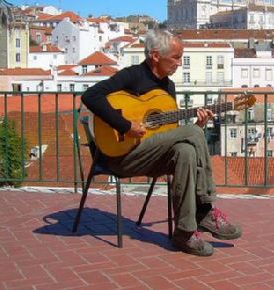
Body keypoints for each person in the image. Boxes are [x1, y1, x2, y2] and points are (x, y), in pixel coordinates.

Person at [81, 29, 241, 256]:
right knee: (192, 137)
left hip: (150, 156)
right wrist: (126, 126)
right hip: (121, 157)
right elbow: (90, 96)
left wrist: (199, 124)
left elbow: (171, 134)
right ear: (155, 55)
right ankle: (204, 210)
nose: (179, 63)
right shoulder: (132, 75)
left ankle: (184, 234)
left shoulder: (169, 87)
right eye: (175, 57)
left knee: (185, 151)